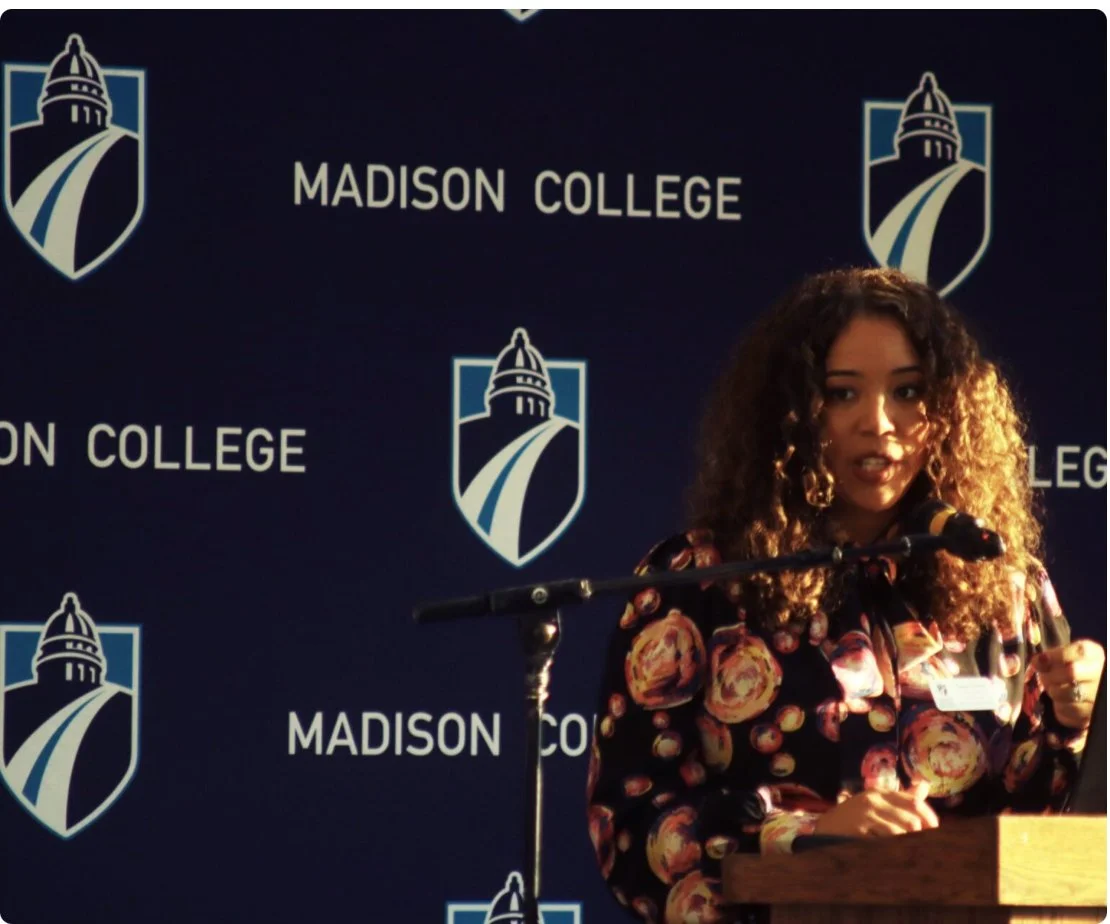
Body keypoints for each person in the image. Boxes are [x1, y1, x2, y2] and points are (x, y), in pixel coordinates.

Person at [585, 267, 1106, 924]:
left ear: (946, 413)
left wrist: (1075, 723)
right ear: (793, 414)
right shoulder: (699, 582)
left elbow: (1045, 830)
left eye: (909, 391)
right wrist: (809, 837)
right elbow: (631, 825)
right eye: (843, 394)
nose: (878, 423)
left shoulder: (1003, 582)